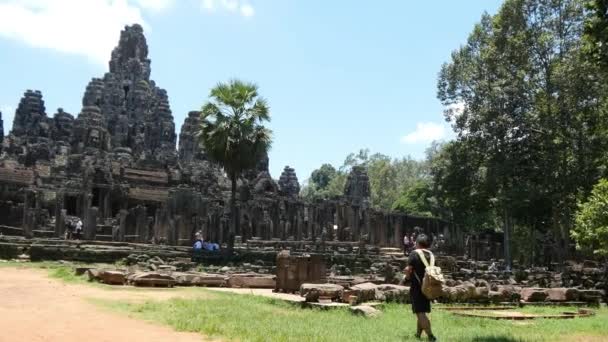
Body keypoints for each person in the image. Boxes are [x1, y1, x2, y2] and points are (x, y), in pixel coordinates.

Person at [404, 234, 437, 341]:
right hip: (429, 287)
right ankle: (418, 335)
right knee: (421, 311)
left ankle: (431, 336)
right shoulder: (431, 255)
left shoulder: (414, 253)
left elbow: (408, 269)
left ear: (417, 243)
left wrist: (406, 278)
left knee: (420, 313)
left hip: (417, 287)